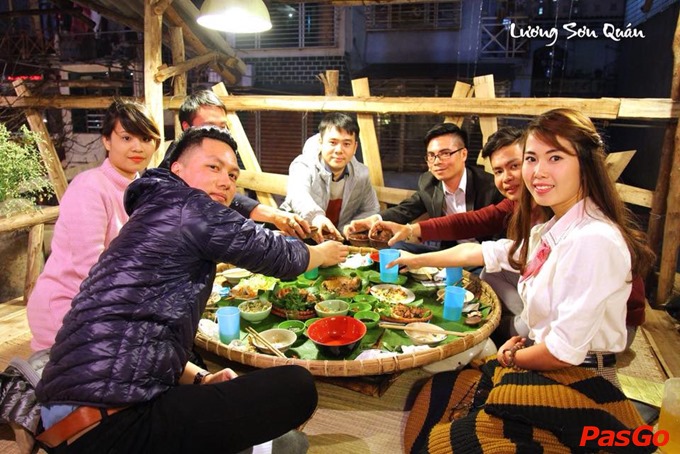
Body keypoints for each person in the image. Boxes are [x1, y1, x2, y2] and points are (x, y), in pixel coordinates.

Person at [35, 126, 349, 453]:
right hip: (109, 424)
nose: (226, 181)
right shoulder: (186, 205)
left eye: (232, 175)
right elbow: (272, 252)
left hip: (69, 417)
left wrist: (201, 378)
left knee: (285, 440)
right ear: (177, 169)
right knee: (297, 387)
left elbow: (145, 335)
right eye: (213, 167)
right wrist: (321, 254)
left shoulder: (152, 213)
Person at [394, 109, 655, 453]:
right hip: (545, 356)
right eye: (531, 158)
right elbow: (484, 251)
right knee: (439, 392)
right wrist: (414, 258)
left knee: (438, 443)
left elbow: (562, 351)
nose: (538, 171)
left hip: (578, 373)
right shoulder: (554, 227)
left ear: (585, 164)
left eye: (555, 157)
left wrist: (514, 356)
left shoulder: (592, 239)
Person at [375, 126, 646, 347]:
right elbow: (472, 224)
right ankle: (509, 326)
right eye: (498, 171)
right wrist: (411, 231)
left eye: (516, 165)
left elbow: (577, 312)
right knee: (490, 272)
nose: (507, 178)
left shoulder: (580, 224)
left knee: (498, 311)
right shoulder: (524, 204)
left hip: (609, 324)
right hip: (549, 293)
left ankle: (508, 332)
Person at [27, 99, 161, 351]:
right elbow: (91, 267)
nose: (137, 147)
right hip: (68, 305)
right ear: (107, 140)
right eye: (126, 138)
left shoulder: (142, 190)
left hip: (110, 302)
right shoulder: (90, 187)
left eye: (146, 139)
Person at [344, 122, 503, 252]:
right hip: (447, 252)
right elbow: (406, 209)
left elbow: (501, 239)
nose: (437, 161)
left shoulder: (490, 187)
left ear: (464, 154)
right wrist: (375, 220)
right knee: (396, 248)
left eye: (445, 153)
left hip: (482, 255)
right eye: (431, 155)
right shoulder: (429, 182)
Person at [178, 90, 311, 239]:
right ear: (187, 127)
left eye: (222, 126)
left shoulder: (219, 157)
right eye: (209, 126)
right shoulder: (172, 174)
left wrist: (275, 216)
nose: (218, 133)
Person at [279, 112, 380, 243]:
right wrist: (316, 217)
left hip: (338, 240)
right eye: (333, 142)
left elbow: (371, 209)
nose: (339, 150)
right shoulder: (303, 165)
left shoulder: (361, 174)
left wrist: (351, 227)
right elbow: (298, 196)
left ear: (355, 147)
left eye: (346, 144)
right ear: (321, 143)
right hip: (299, 236)